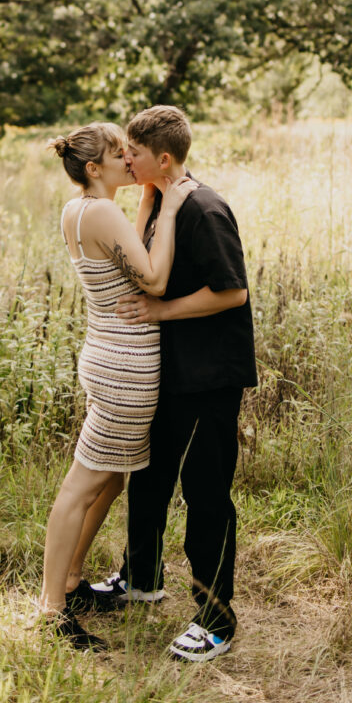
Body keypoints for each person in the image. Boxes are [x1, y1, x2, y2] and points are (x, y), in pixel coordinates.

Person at [89, 105, 258, 663]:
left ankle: (216, 619)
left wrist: (160, 315)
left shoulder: (206, 209)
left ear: (162, 158)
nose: (124, 159)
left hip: (211, 374)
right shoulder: (158, 198)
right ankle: (141, 578)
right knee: (150, 474)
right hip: (170, 370)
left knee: (205, 491)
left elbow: (232, 292)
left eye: (132, 153)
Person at [41, 121, 196, 651]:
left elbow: (122, 252)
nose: (129, 160)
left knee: (111, 482)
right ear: (93, 168)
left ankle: (70, 580)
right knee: (83, 485)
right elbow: (152, 279)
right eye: (118, 154)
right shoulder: (101, 210)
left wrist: (151, 201)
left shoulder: (79, 209)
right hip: (126, 364)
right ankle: (51, 610)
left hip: (106, 352)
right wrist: (171, 209)